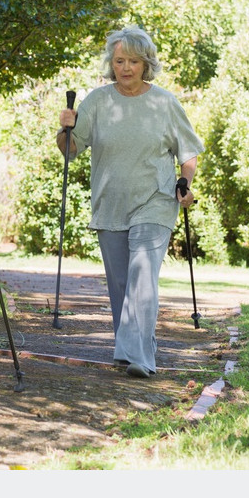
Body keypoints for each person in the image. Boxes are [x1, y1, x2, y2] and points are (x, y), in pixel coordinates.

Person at [56, 26, 204, 378]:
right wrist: (64, 129)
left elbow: (188, 153)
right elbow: (71, 151)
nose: (125, 68)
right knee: (121, 284)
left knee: (141, 277)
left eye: (133, 61)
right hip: (110, 203)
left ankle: (141, 359)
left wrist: (184, 182)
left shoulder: (165, 103)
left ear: (145, 63)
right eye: (119, 60)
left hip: (155, 200)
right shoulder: (97, 101)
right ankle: (130, 350)